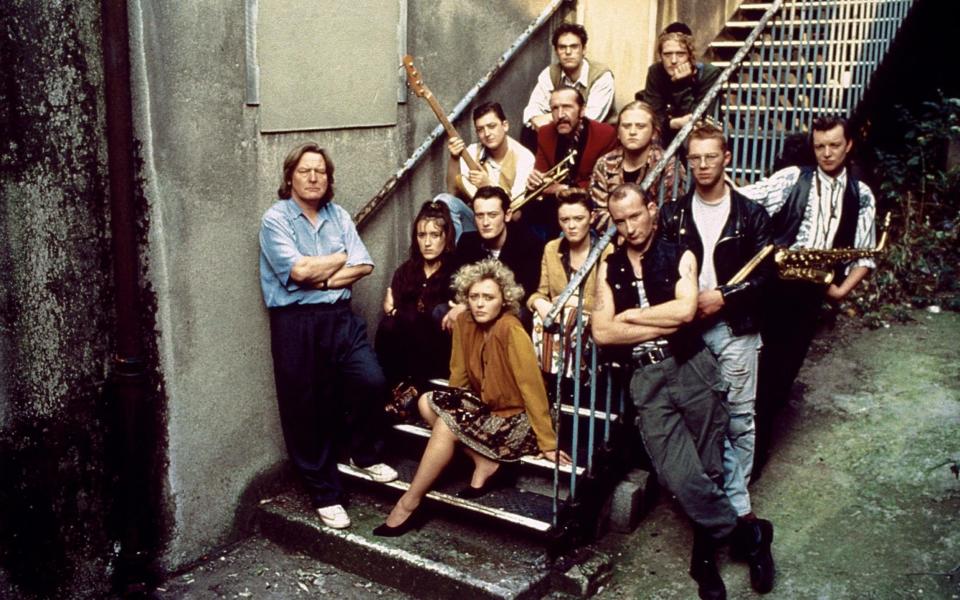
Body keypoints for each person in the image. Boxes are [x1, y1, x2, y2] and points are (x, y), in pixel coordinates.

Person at [591, 183, 773, 599]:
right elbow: (602, 331)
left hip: (691, 365)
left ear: (651, 210)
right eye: (619, 221)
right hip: (645, 378)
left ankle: (704, 561)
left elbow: (686, 310)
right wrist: (660, 319)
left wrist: (633, 317)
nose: (629, 227)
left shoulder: (679, 252)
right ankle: (751, 534)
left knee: (711, 465)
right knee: (677, 474)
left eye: (635, 215)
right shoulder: (610, 264)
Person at [374, 259, 572, 536]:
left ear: (503, 300)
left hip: (517, 418)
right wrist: (455, 410)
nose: (480, 304)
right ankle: (484, 461)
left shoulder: (510, 329)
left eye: (488, 297)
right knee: (426, 402)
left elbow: (532, 388)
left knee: (446, 425)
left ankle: (410, 501)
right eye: (474, 297)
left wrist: (547, 442)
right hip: (487, 408)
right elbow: (459, 376)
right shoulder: (465, 321)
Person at [659, 123, 776, 594]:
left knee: (739, 421)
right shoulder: (672, 215)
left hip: (735, 329)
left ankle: (729, 517)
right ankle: (740, 524)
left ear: (726, 157)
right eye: (695, 158)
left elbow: (768, 278)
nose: (703, 165)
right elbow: (663, 268)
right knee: (701, 426)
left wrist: (722, 298)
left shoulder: (751, 214)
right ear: (688, 162)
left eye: (711, 156)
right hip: (689, 333)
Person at [259, 143, 398, 530]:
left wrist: (320, 274)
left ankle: (364, 454)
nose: (314, 177)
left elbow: (365, 263)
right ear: (290, 177)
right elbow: (300, 272)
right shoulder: (276, 220)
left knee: (371, 380)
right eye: (305, 171)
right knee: (305, 406)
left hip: (339, 316)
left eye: (320, 171)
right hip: (295, 322)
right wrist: (337, 261)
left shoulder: (337, 216)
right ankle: (324, 492)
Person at [737, 115, 877, 474]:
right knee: (751, 369)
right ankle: (737, 453)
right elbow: (744, 203)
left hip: (810, 295)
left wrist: (841, 290)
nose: (826, 153)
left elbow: (864, 253)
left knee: (781, 377)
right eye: (819, 146)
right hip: (771, 287)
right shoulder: (791, 178)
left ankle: (753, 456)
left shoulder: (861, 195)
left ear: (849, 145)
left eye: (834, 145)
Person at [375, 200, 457, 396]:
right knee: (388, 326)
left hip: (439, 352)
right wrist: (395, 315)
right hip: (406, 352)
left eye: (434, 235)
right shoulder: (405, 271)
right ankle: (395, 393)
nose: (427, 243)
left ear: (446, 237)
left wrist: (396, 312)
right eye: (422, 235)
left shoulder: (456, 272)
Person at [525, 86, 617, 239]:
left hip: (589, 206)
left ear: (582, 110)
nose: (560, 115)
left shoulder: (605, 134)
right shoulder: (545, 133)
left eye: (567, 107)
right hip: (554, 208)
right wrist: (536, 181)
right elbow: (541, 174)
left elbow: (604, 185)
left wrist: (563, 188)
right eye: (555, 108)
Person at [447, 186, 545, 329]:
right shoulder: (467, 242)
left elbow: (526, 291)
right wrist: (465, 304)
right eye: (480, 216)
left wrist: (471, 305)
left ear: (507, 215)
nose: (485, 222)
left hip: (509, 310)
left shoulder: (529, 243)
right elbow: (452, 285)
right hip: (475, 306)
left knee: (521, 315)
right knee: (442, 312)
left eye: (492, 215)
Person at [590, 101, 686, 230]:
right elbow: (597, 212)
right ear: (618, 132)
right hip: (610, 239)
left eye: (640, 126)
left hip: (655, 240)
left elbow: (668, 215)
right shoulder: (605, 163)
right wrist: (623, 230)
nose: (632, 132)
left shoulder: (667, 165)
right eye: (626, 126)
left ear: (654, 133)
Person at [521, 22, 614, 150]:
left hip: (593, 138)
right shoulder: (550, 73)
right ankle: (538, 169)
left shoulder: (601, 76)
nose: (568, 52)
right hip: (561, 131)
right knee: (528, 131)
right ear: (556, 51)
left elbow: (590, 119)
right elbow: (532, 111)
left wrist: (552, 117)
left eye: (574, 47)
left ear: (584, 49)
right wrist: (542, 119)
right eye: (562, 47)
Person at [635, 22, 723, 149]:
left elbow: (699, 121)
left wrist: (681, 86)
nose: (674, 61)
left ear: (690, 56)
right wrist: (673, 123)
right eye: (667, 54)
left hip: (701, 137)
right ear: (660, 56)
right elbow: (652, 115)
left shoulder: (709, 74)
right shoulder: (656, 71)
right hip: (667, 133)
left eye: (680, 54)